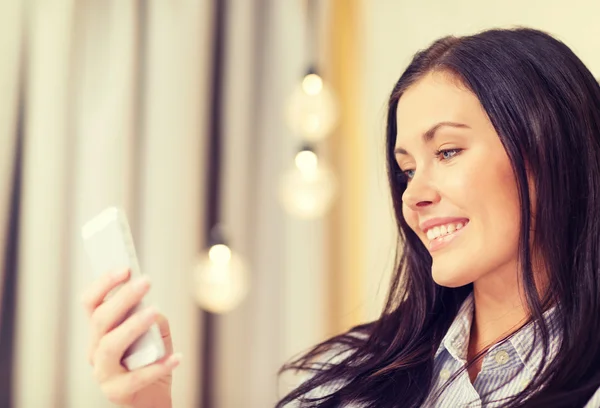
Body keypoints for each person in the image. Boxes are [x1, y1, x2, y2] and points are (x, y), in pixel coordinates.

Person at [82, 27, 600, 407]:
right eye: (405, 170)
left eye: (446, 152)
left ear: (551, 147)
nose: (413, 195)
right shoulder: (350, 377)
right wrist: (147, 402)